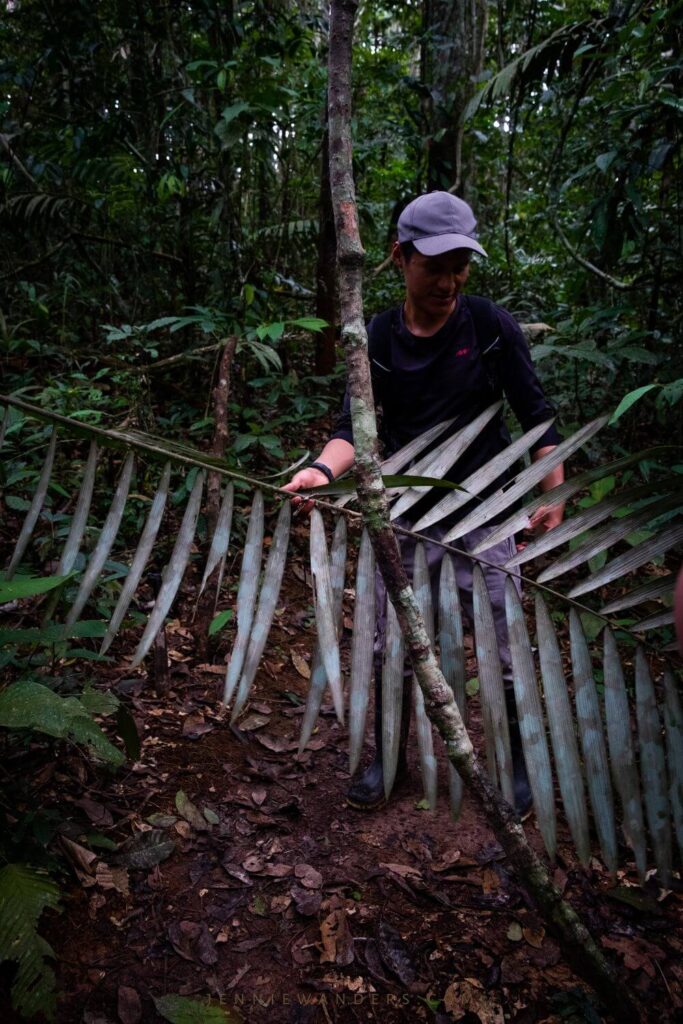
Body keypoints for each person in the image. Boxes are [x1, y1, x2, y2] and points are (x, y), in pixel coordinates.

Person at [284, 191, 564, 815]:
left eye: (460, 263)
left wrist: (554, 494)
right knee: (388, 646)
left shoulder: (490, 325)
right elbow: (353, 429)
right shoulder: (376, 334)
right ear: (399, 258)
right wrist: (317, 473)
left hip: (486, 511)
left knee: (502, 638)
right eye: (435, 264)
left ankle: (516, 764)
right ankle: (387, 760)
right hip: (408, 513)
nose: (450, 279)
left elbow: (537, 416)